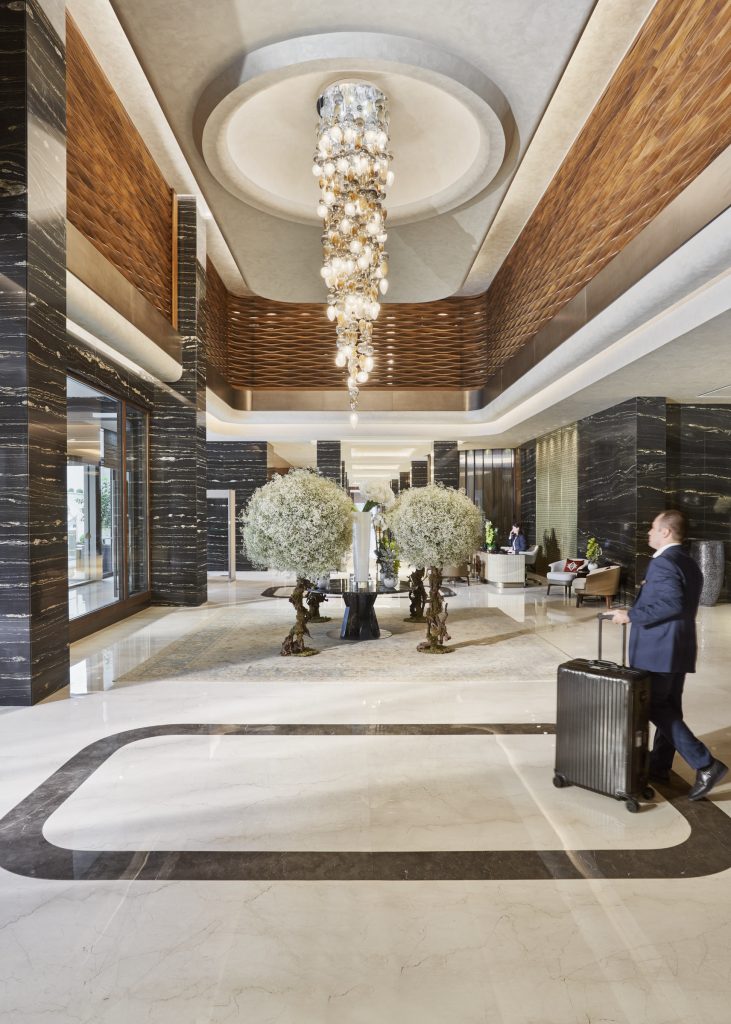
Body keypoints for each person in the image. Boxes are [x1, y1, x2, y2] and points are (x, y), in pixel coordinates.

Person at [611, 509, 727, 800]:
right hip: (678, 647)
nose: (649, 532)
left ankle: (705, 764)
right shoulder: (687, 562)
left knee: (654, 706)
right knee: (670, 706)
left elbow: (671, 603)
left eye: (653, 528)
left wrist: (631, 615)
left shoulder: (663, 562)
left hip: (658, 650)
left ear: (666, 532)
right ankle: (660, 765)